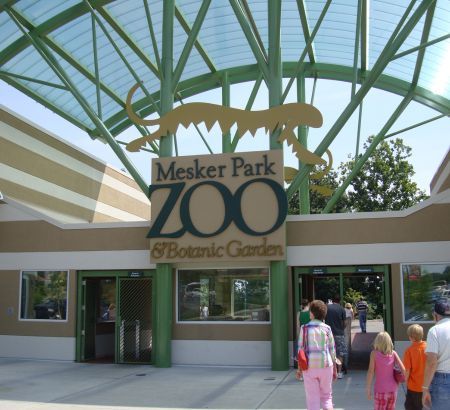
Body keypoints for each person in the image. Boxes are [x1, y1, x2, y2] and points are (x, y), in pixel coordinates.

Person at [296, 299, 337, 410]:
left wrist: (299, 369)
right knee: (327, 397)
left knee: (312, 399)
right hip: (326, 365)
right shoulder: (327, 328)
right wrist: (335, 369)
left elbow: (300, 350)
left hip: (309, 367)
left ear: (312, 313)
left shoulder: (304, 328)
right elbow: (332, 350)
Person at [422, 301, 450, 410]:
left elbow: (431, 362)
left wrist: (425, 389)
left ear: (435, 315)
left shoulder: (434, 331)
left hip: (442, 381)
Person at [366, 331, 406, 410]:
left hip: (380, 390)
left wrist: (368, 388)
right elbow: (403, 369)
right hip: (393, 389)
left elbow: (371, 372)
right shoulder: (393, 353)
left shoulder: (374, 354)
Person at [403, 324, 426, 410]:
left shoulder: (409, 351)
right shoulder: (428, 347)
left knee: (411, 407)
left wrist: (404, 380)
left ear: (411, 337)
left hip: (414, 387)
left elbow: (407, 370)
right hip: (428, 385)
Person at [325, 296, 347, 378]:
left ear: (332, 301)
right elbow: (345, 323)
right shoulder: (342, 309)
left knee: (329, 352)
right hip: (339, 334)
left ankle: (331, 372)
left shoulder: (327, 308)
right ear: (339, 301)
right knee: (340, 353)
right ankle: (339, 372)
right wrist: (341, 328)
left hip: (328, 334)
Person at [344, 302, 354, 370]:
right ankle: (349, 346)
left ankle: (347, 344)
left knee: (346, 333)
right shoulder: (351, 310)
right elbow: (353, 316)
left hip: (345, 321)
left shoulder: (344, 309)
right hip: (349, 320)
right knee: (348, 333)